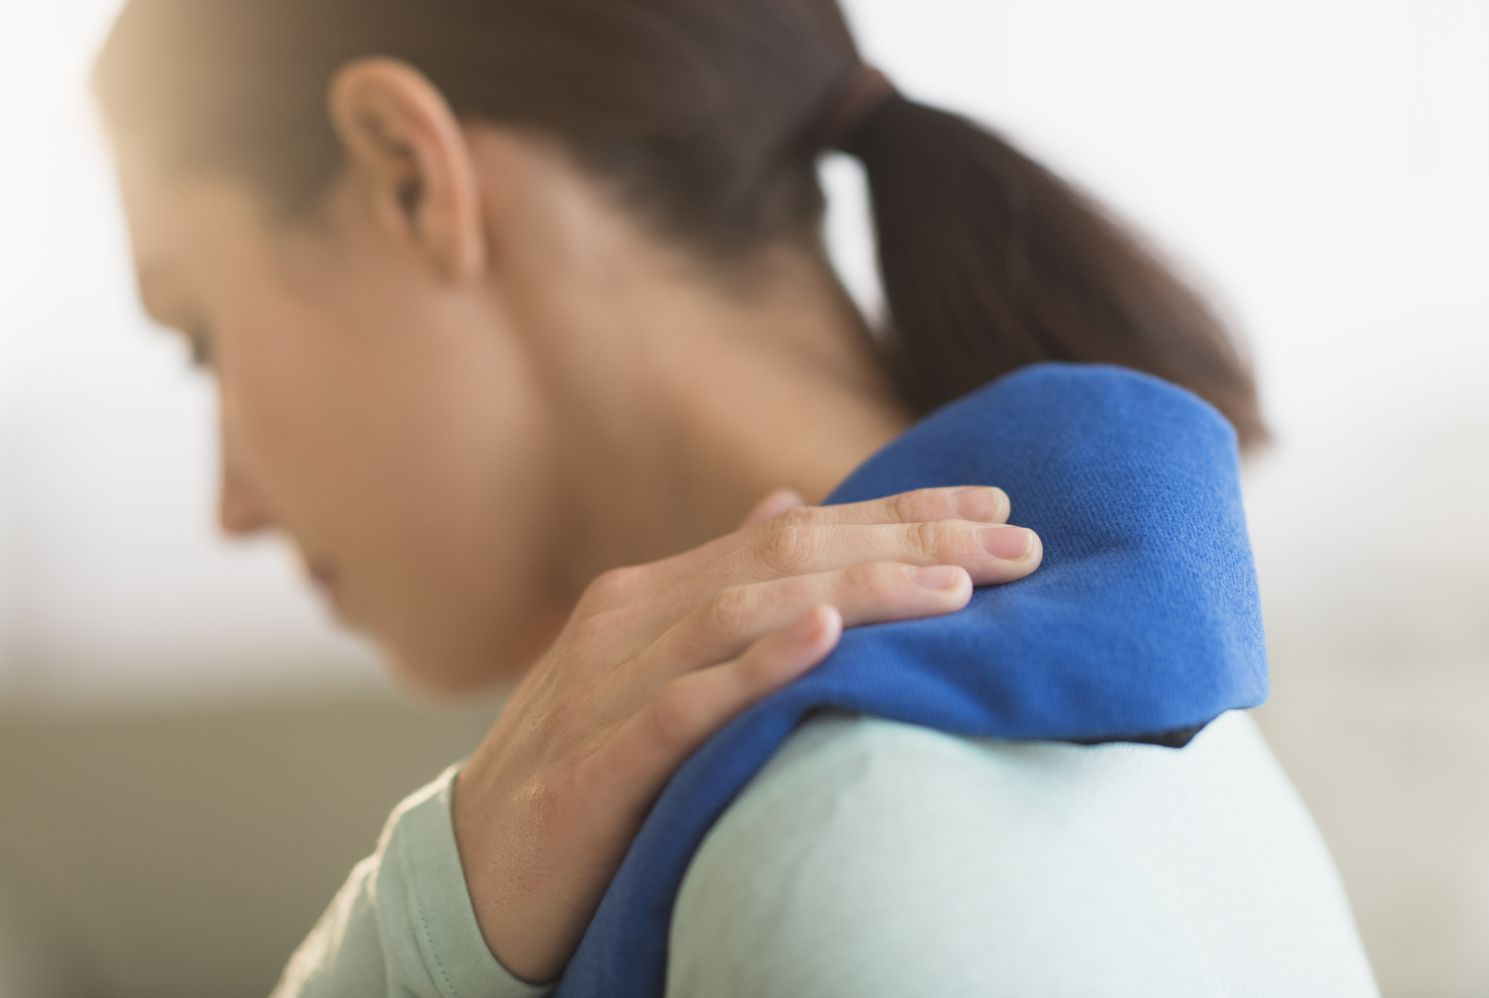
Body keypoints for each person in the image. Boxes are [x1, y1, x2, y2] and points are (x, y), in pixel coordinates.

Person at [88, 1, 1379, 994]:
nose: (231, 503)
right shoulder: (1169, 736)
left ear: (408, 175)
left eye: (201, 331)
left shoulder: (854, 841)